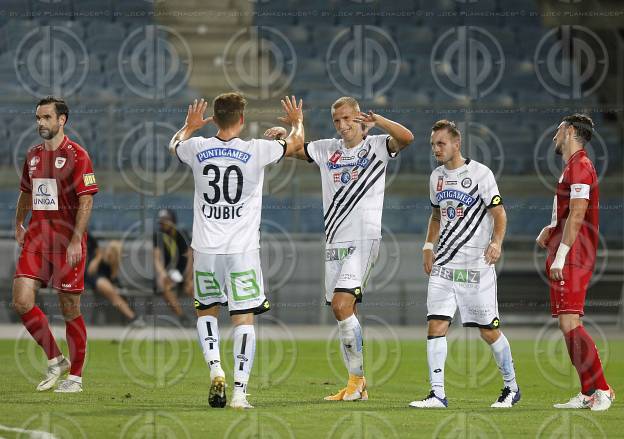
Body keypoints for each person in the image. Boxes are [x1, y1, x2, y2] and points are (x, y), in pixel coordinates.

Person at [266, 96, 413, 401]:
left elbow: (407, 138)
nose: (343, 126)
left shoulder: (377, 146)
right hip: (335, 242)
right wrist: (292, 129)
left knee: (340, 305)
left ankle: (357, 383)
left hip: (363, 239)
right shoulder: (327, 149)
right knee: (346, 310)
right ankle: (355, 384)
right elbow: (295, 148)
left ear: (359, 118)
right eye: (337, 121)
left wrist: (379, 120)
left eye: (348, 119)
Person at [169, 93, 304, 409]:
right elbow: (296, 144)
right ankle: (241, 393)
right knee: (243, 319)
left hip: (206, 249)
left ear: (214, 119)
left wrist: (188, 127)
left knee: (206, 312)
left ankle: (216, 370)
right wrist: (297, 122)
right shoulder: (256, 149)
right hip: (242, 250)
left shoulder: (197, 148)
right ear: (241, 120)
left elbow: (173, 145)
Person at [408, 120, 520, 409]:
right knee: (436, 325)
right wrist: (428, 246)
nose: (436, 149)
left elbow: (499, 213)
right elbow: (436, 216)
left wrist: (496, 242)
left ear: (457, 143)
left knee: (488, 330)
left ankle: (511, 387)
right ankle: (437, 394)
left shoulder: (480, 174)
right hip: (444, 265)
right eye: (433, 144)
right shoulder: (435, 178)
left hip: (475, 267)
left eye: (441, 143)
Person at [12, 96, 98, 393]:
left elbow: (86, 200)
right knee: (21, 300)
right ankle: (54, 357)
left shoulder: (78, 155)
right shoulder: (33, 155)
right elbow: (26, 191)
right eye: (38, 118)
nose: (40, 123)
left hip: (66, 242)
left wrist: (76, 240)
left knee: (69, 307)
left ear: (62, 120)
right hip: (37, 237)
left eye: (46, 117)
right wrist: (18, 223)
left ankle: (75, 376)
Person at [536, 114, 614, 411]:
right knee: (567, 323)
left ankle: (602, 388)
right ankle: (587, 391)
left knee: (570, 322)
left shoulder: (580, 166)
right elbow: (570, 212)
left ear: (569, 131)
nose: (554, 137)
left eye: (558, 131)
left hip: (573, 255)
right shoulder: (573, 166)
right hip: (568, 251)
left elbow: (579, 215)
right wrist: (551, 228)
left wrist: (560, 255)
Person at [86, 237, 145, 327]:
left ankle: (131, 318)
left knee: (121, 293)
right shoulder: (99, 254)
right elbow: (90, 272)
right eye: (111, 249)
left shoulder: (114, 262)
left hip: (105, 283)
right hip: (95, 279)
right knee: (109, 289)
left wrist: (114, 264)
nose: (110, 252)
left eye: (114, 251)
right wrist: (98, 257)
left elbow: (113, 278)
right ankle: (133, 317)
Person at [153, 208, 193, 324]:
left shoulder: (181, 234)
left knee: (194, 289)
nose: (163, 223)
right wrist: (162, 273)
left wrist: (189, 278)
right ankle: (182, 317)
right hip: (169, 274)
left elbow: (190, 256)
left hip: (184, 272)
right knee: (163, 286)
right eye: (162, 221)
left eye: (166, 220)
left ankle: (201, 316)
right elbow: (156, 258)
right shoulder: (158, 235)